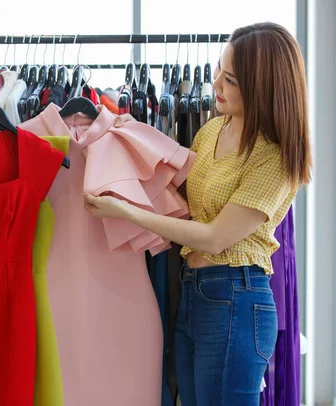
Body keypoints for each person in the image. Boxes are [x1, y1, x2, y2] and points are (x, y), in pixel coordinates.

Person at [84, 22, 311, 406]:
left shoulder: (274, 159)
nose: (216, 84)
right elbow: (180, 195)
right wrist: (126, 133)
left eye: (232, 80)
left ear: (263, 88)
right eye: (219, 70)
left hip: (237, 298)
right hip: (194, 292)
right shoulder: (212, 131)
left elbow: (214, 236)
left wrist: (127, 212)